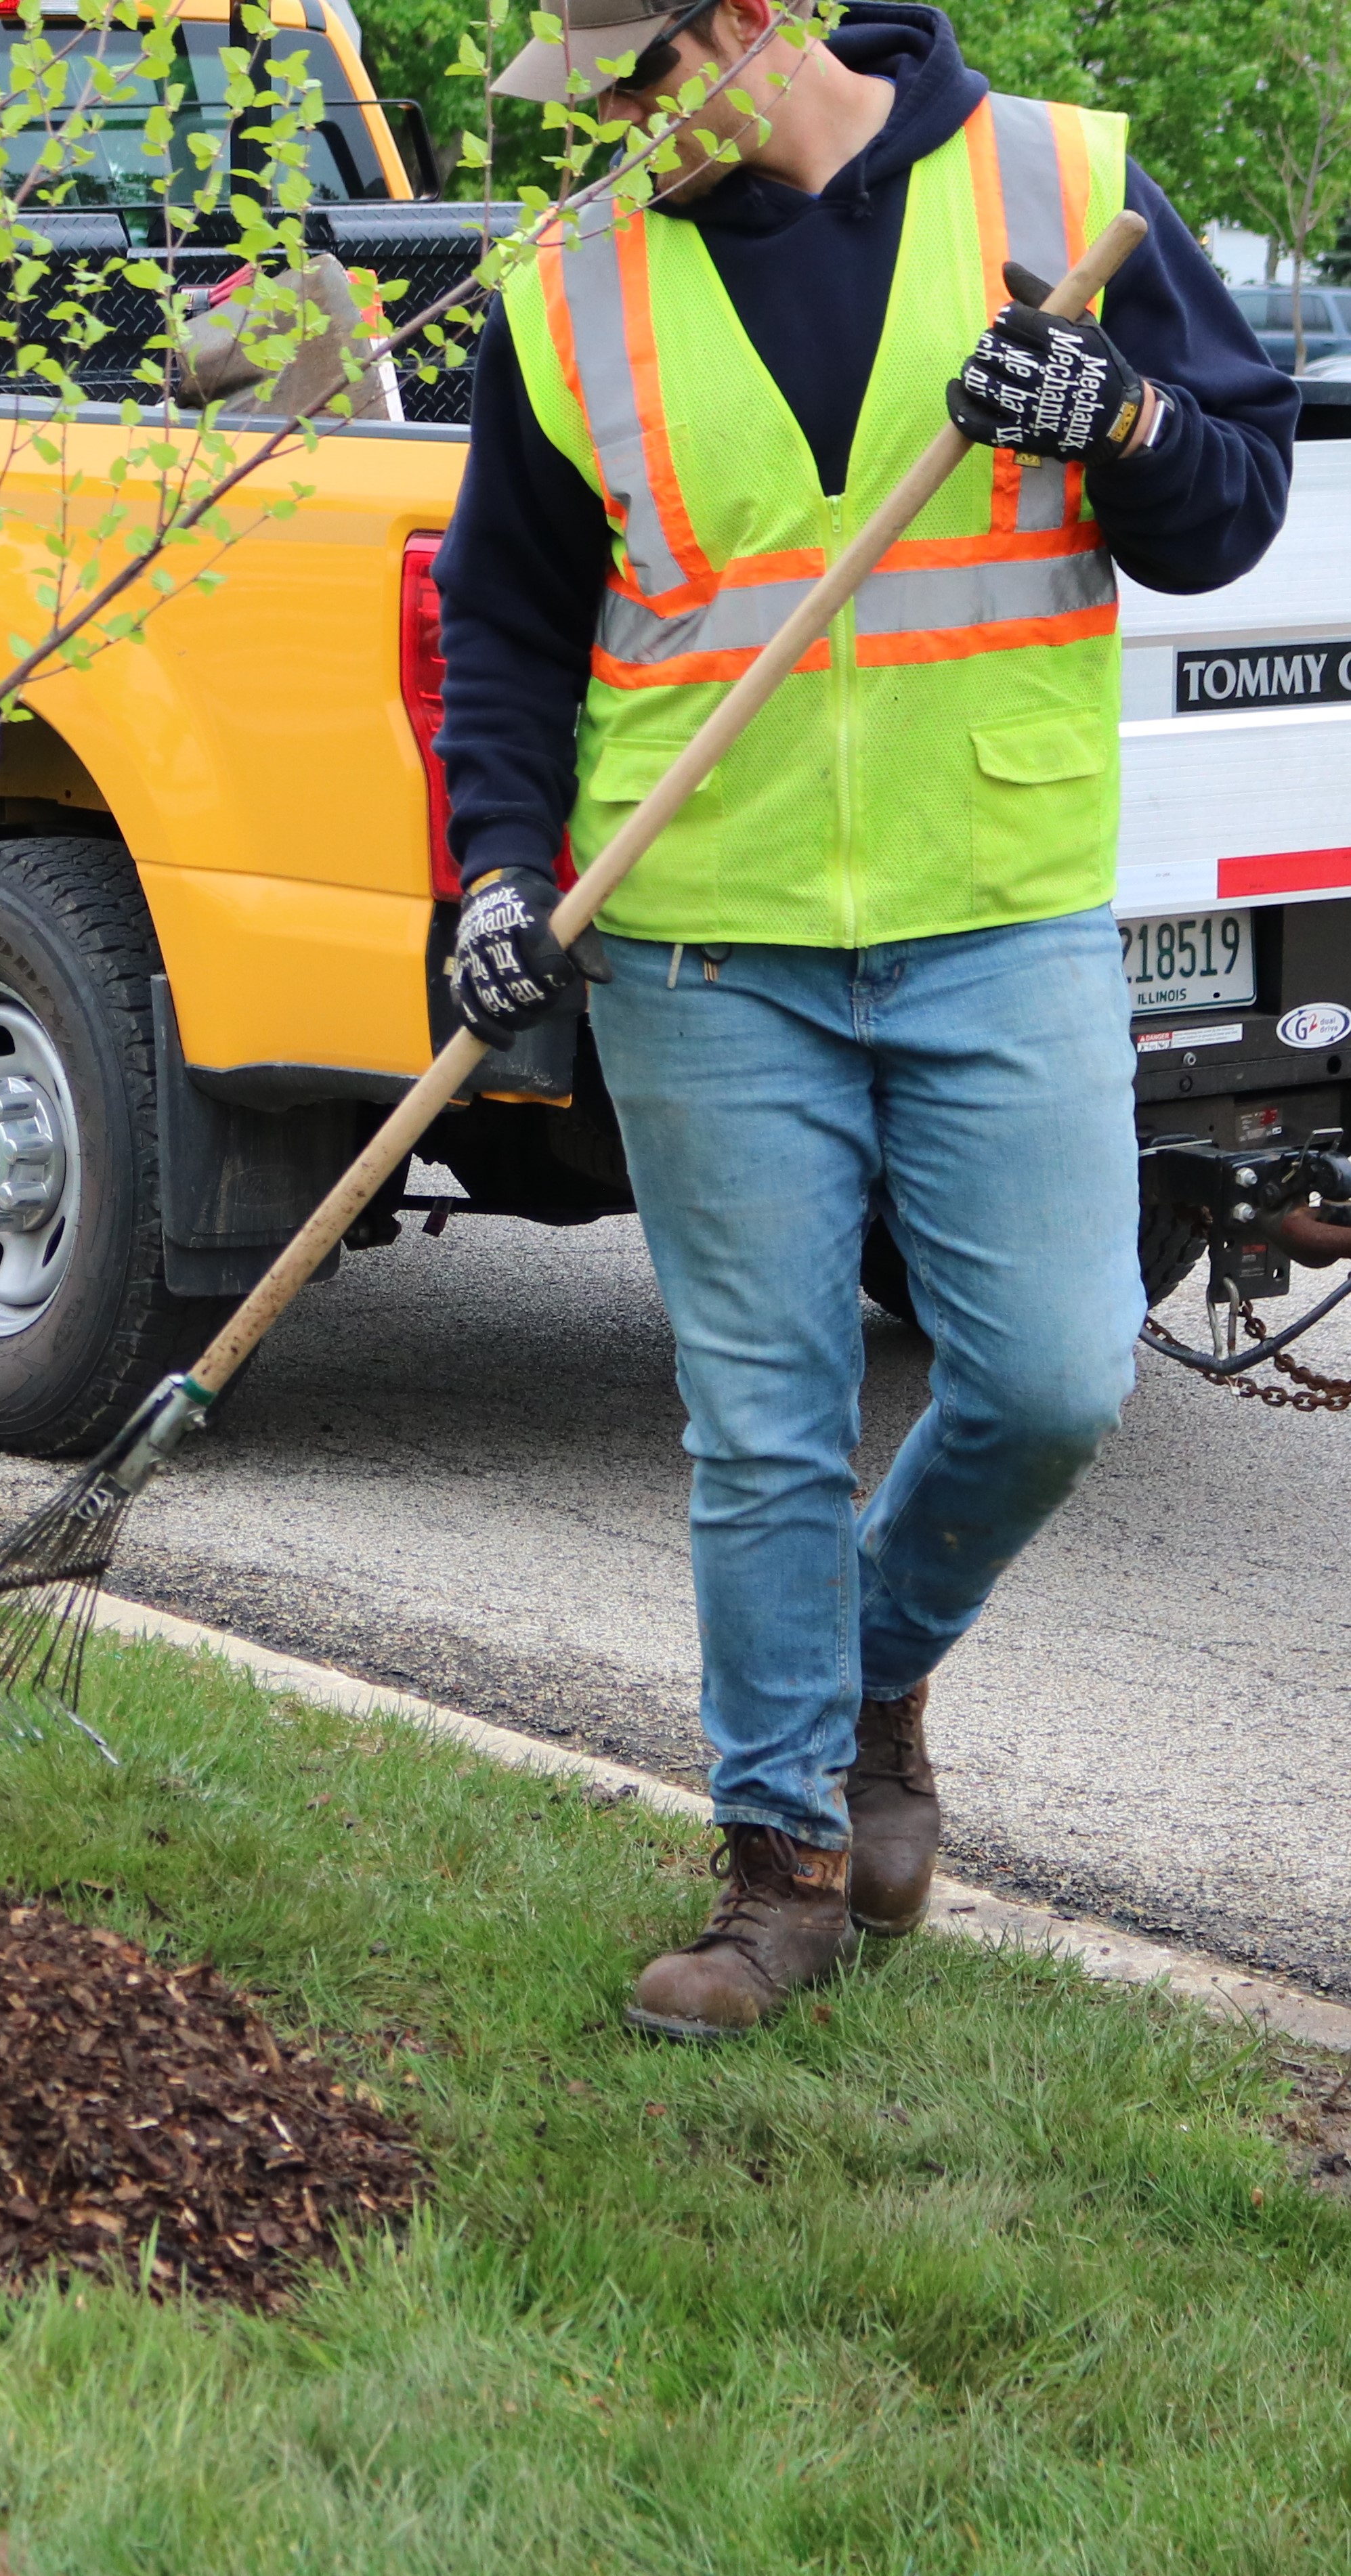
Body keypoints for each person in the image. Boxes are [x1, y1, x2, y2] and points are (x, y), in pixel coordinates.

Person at [433, 0, 1294, 2037]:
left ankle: (868, 1671)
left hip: (990, 910)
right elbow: (506, 617)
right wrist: (489, 869)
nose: (621, 128)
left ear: (745, 22)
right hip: (703, 936)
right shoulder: (572, 288)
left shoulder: (1059, 187)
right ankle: (776, 1871)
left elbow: (1231, 502)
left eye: (642, 80)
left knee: (1055, 1372)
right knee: (761, 1426)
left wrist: (1122, 418)